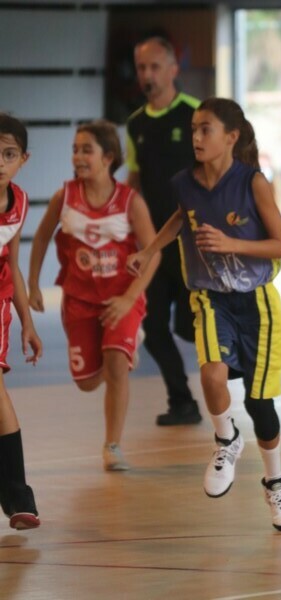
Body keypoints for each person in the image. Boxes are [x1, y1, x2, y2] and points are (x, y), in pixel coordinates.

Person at [126, 97, 281, 531]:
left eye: (206, 129)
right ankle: (226, 438)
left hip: (256, 302)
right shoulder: (184, 182)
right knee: (210, 375)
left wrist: (231, 243)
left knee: (260, 404)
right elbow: (179, 219)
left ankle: (276, 483)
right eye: (193, 129)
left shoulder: (253, 183)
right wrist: (149, 250)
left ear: (231, 137)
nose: (197, 137)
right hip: (210, 298)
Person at [28, 119, 159, 472]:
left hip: (121, 298)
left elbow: (154, 252)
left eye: (87, 150)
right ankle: (123, 352)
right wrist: (33, 283)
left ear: (108, 157)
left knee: (115, 363)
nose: (78, 156)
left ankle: (112, 445)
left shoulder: (130, 201)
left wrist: (130, 298)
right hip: (79, 299)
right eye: (75, 149)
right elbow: (41, 237)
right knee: (86, 383)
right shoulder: (64, 196)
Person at [126, 35, 202, 426]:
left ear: (173, 69)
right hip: (154, 244)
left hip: (192, 244)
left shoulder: (195, 114)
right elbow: (134, 180)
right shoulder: (135, 123)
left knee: (193, 329)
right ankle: (182, 402)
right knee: (153, 328)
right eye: (142, 67)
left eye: (155, 66)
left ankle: (229, 390)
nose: (147, 74)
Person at [0, 113, 42, 530]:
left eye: (8, 154)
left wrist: (26, 322)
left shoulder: (20, 202)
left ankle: (18, 496)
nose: (0, 162)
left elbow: (12, 265)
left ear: (23, 160)